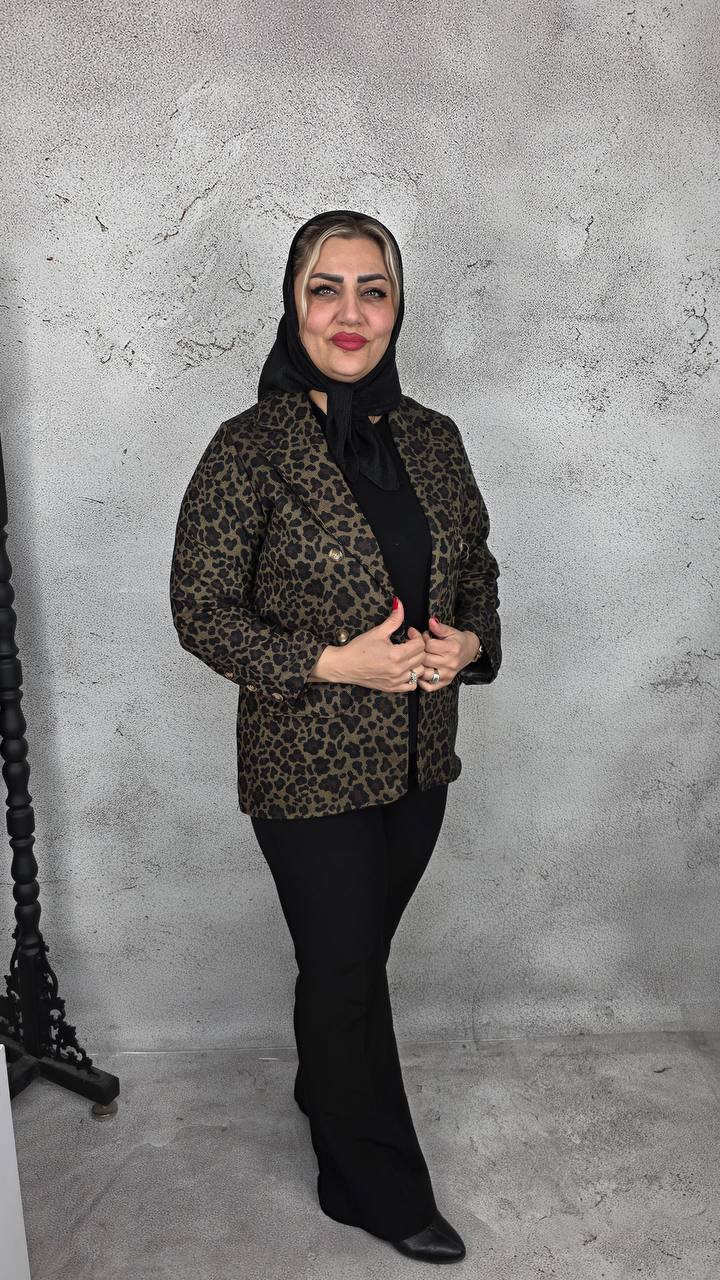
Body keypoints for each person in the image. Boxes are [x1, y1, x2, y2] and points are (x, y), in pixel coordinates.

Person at [169, 209, 502, 1262]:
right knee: (349, 968)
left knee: (346, 963)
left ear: (398, 308)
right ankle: (374, 1184)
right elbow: (199, 609)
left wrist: (470, 643)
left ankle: (324, 1077)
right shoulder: (248, 447)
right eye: (326, 287)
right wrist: (332, 662)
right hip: (303, 769)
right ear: (293, 302)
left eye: (373, 288)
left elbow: (478, 571)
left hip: (419, 761)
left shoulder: (435, 438)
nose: (349, 312)